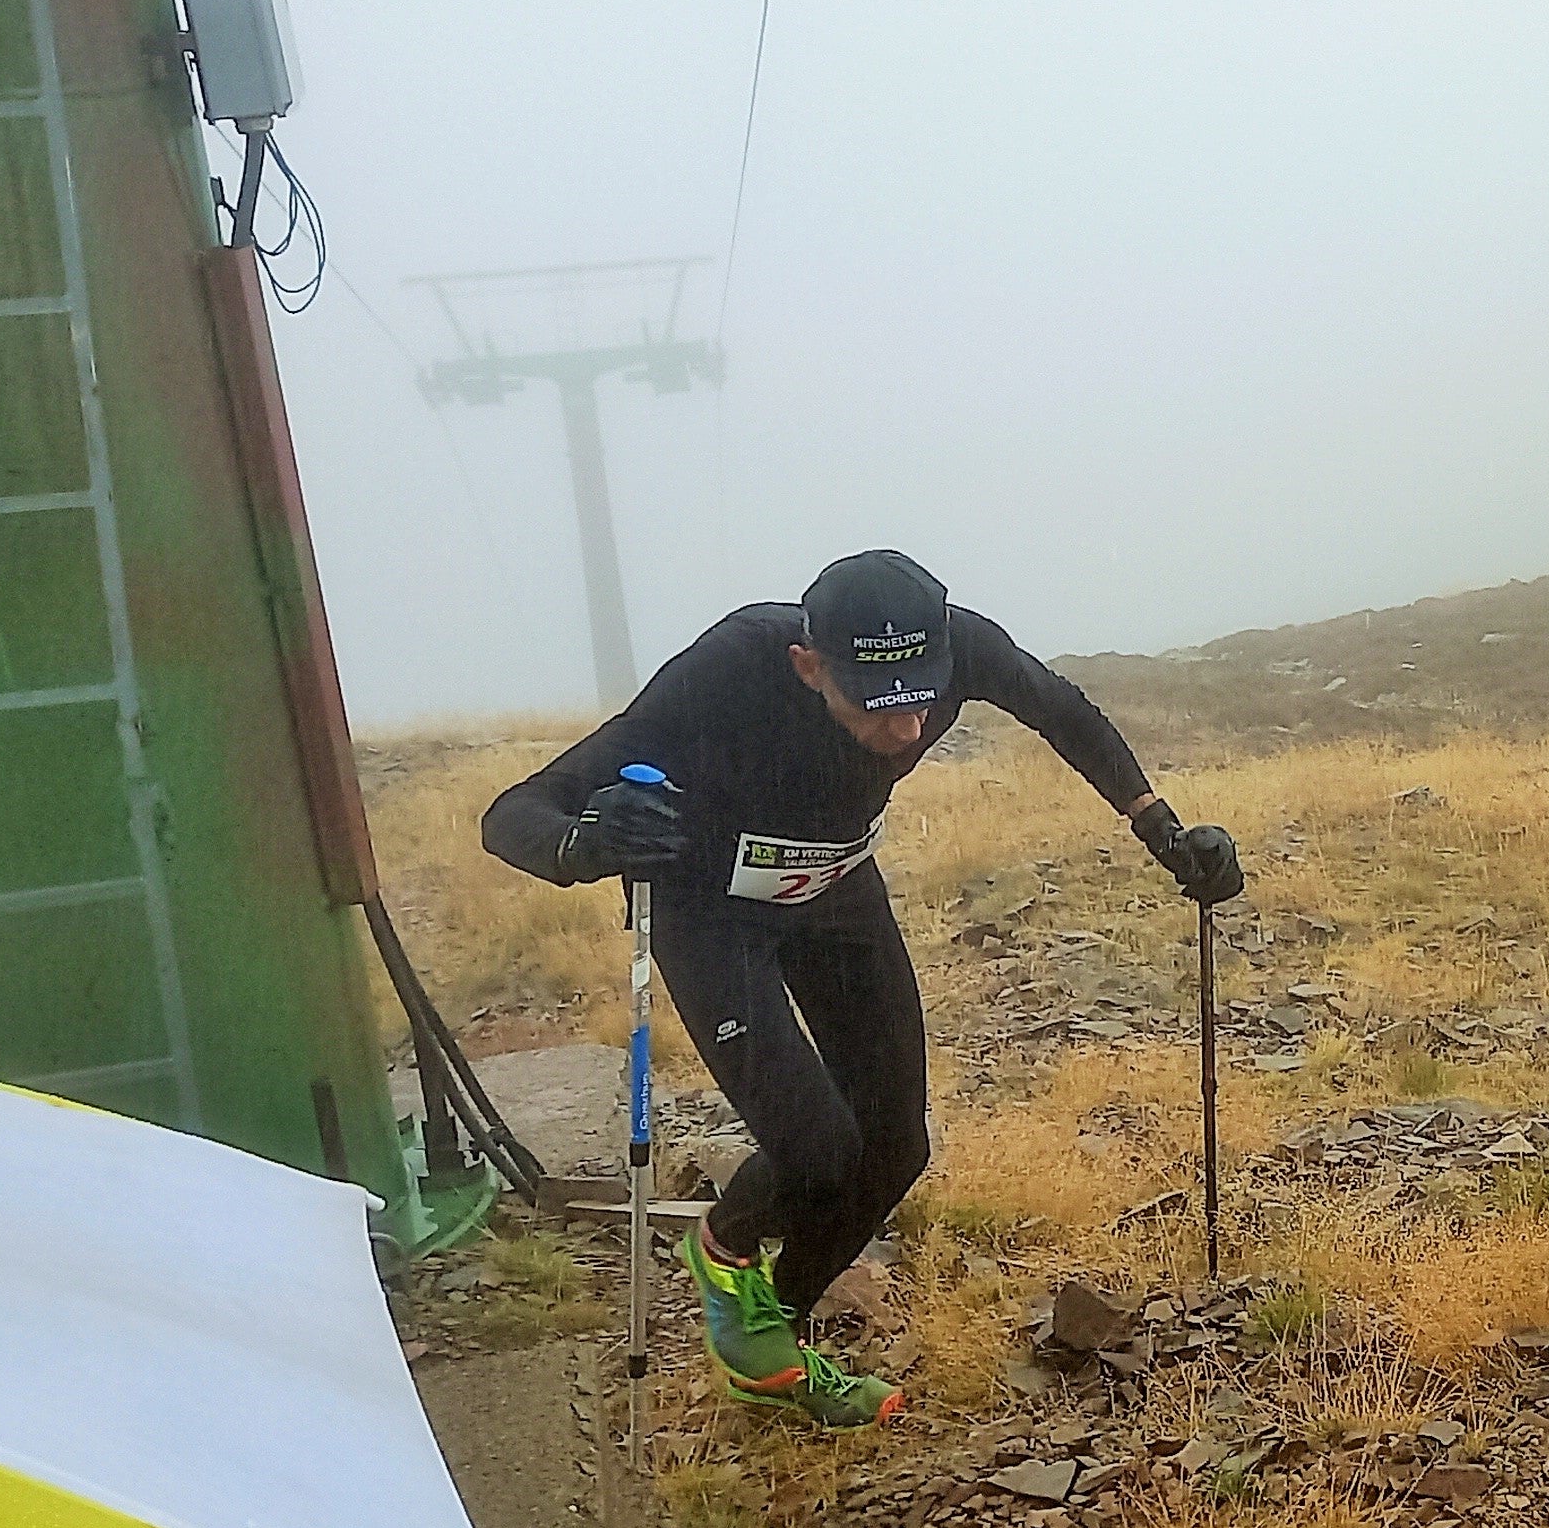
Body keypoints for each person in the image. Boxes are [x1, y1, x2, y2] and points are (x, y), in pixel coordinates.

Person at [482, 550, 1241, 1426]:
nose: (910, 729)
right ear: (810, 667)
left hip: (837, 890)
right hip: (713, 913)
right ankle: (724, 1252)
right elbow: (514, 813)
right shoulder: (731, 667)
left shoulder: (959, 646)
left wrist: (1166, 835)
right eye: (878, 708)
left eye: (925, 696)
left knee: (895, 1148)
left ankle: (775, 1340)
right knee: (815, 1150)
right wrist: (583, 842)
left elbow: (1064, 713)